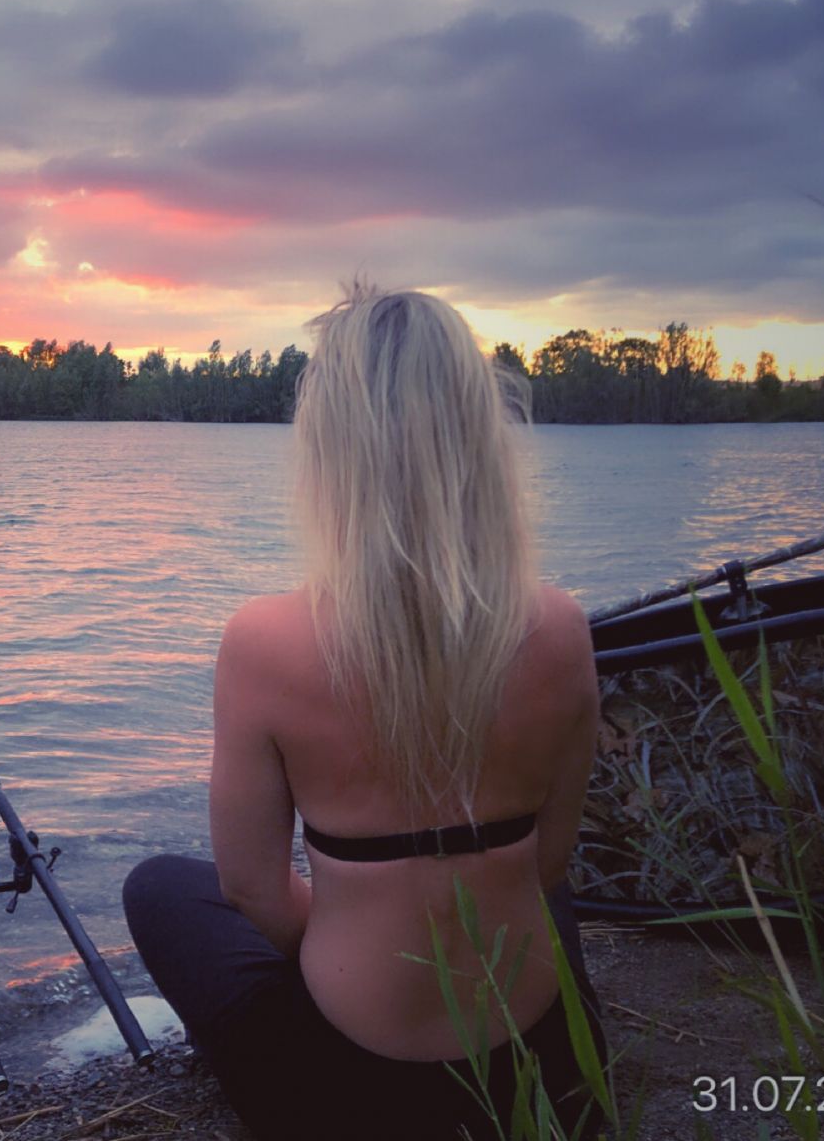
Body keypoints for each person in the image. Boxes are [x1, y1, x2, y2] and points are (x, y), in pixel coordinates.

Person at [123, 285, 607, 1139]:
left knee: (160, 887)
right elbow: (551, 862)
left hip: (349, 1089)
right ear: (482, 437)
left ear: (331, 450)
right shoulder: (562, 628)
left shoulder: (262, 641)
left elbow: (251, 887)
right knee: (528, 883)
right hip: (536, 1059)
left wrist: (362, 930)